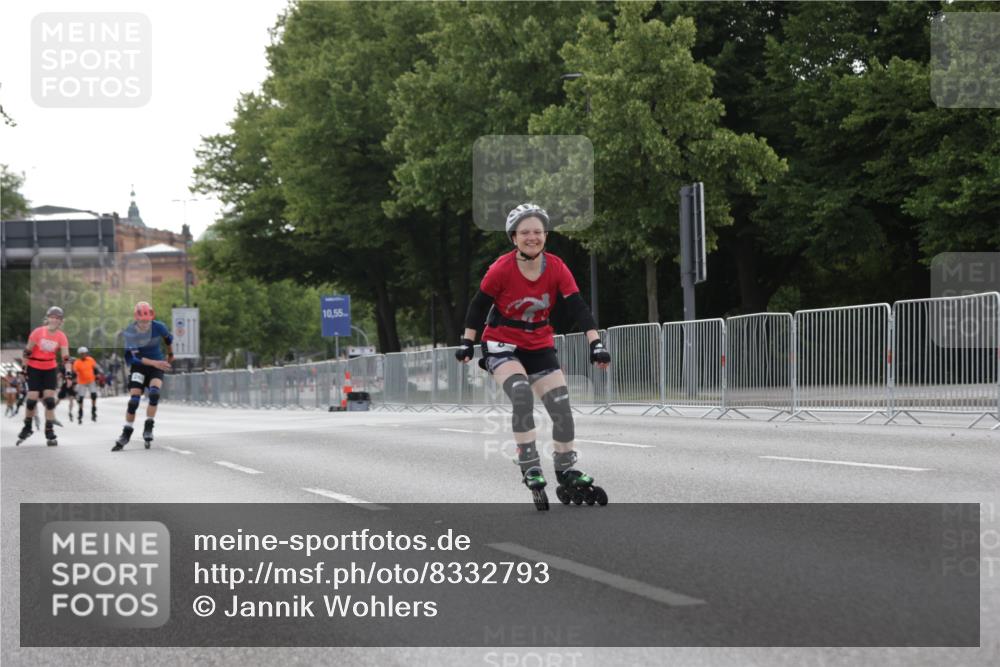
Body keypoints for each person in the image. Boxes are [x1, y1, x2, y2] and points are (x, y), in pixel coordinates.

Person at [455, 203, 611, 509]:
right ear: (514, 237)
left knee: (561, 406)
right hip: (502, 343)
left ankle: (565, 469)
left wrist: (596, 343)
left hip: (539, 343)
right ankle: (529, 462)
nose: (532, 237)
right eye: (525, 232)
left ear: (545, 235)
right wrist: (467, 342)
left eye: (538, 231)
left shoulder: (556, 267)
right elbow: (478, 305)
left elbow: (578, 307)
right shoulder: (501, 268)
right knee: (521, 394)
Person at [113, 302, 174, 451]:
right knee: (134, 401)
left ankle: (149, 426)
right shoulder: (130, 332)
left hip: (156, 367)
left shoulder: (159, 326)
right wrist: (155, 363)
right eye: (142, 322)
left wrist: (170, 354)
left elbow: (168, 339)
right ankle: (126, 432)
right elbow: (136, 358)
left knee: (154, 394)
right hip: (139, 366)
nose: (145, 325)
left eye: (147, 321)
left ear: (151, 318)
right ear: (136, 319)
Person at [17, 306, 71, 446]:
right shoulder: (38, 332)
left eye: (57, 318)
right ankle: (27, 427)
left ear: (61, 321)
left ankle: (49, 430)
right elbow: (27, 351)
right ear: (48, 318)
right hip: (34, 367)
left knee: (50, 401)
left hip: (50, 368)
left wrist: (68, 374)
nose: (54, 320)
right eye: (52, 317)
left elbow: (65, 357)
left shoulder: (61, 336)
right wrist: (23, 370)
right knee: (31, 401)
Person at [73, 347, 103, 423]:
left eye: (84, 353)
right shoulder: (77, 362)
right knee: (81, 398)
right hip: (81, 382)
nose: (83, 355)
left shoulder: (90, 359)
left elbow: (96, 367)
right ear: (79, 354)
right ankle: (80, 413)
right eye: (82, 354)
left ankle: (93, 411)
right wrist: (73, 379)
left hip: (91, 380)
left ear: (86, 353)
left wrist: (99, 373)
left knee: (94, 395)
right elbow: (75, 372)